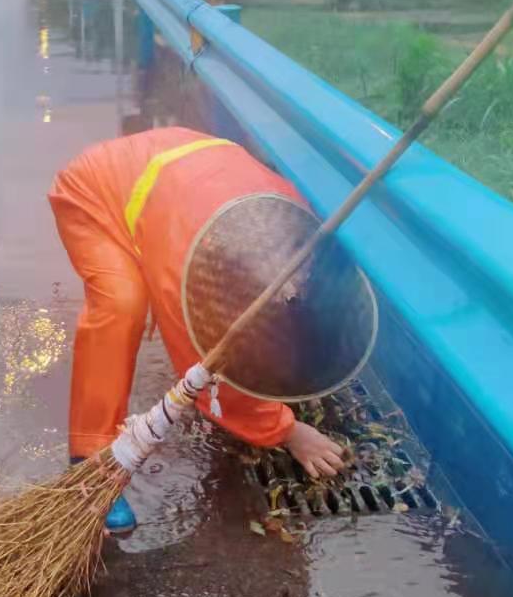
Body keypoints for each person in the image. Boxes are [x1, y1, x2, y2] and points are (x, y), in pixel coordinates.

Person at [49, 126, 349, 532]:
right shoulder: (191, 271)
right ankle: (90, 464)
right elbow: (208, 371)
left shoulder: (290, 219)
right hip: (96, 190)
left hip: (175, 169)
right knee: (123, 305)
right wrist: (289, 430)